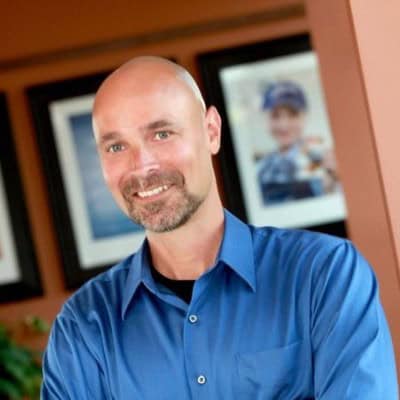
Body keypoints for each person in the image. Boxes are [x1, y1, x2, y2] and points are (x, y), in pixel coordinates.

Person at [41, 57, 398, 399]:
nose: (142, 165)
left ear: (211, 131)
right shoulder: (84, 328)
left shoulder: (323, 274)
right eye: (116, 146)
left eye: (162, 134)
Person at [257, 80, 338, 205]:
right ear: (265, 119)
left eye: (292, 115)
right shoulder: (262, 168)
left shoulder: (325, 159)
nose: (283, 125)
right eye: (275, 115)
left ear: (305, 116)